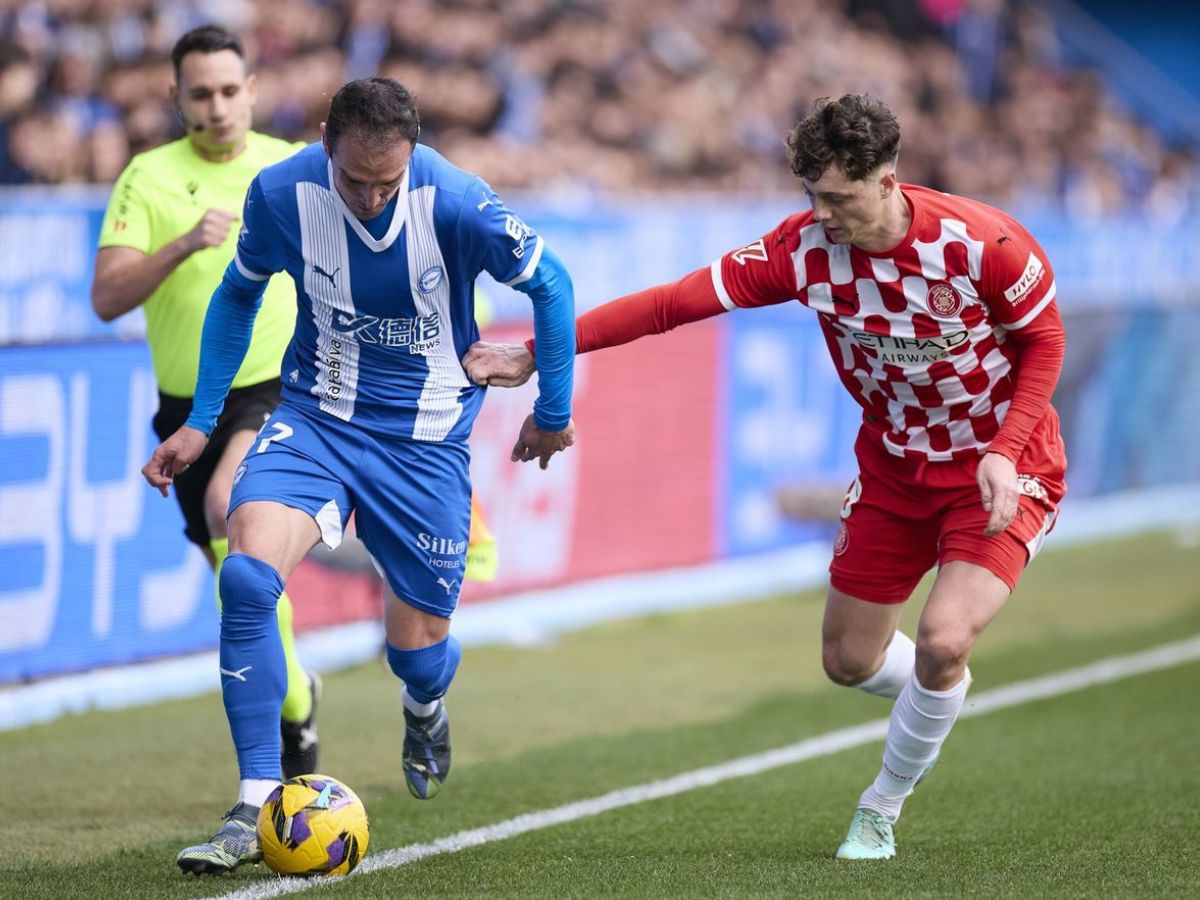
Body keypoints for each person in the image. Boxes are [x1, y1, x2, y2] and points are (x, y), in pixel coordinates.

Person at [465, 93, 1067, 861]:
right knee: (848, 662)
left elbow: (1046, 341)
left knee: (945, 637)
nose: (825, 214)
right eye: (814, 196)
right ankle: (938, 690)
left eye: (840, 197)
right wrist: (536, 353)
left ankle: (880, 807)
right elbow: (670, 304)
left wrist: (1005, 450)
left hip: (1001, 467)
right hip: (893, 470)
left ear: (888, 180)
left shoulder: (983, 243)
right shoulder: (802, 250)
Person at [142, 76, 576, 876]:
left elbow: (552, 285)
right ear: (324, 145)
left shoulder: (458, 202)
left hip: (425, 441)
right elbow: (237, 296)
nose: (372, 200)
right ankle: (255, 800)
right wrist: (202, 421)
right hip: (317, 419)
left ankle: (424, 705)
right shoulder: (282, 194)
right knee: (245, 576)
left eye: (388, 183)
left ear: (413, 156)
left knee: (415, 654)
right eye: (354, 181)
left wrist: (553, 408)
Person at [91, 26, 322, 785]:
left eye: (229, 91)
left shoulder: (292, 168)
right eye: (201, 94)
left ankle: (271, 751)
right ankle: (296, 702)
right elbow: (106, 297)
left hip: (278, 385)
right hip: (187, 406)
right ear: (176, 97)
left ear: (253, 90)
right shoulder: (148, 177)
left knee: (231, 506)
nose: (217, 107)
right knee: (238, 579)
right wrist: (183, 244)